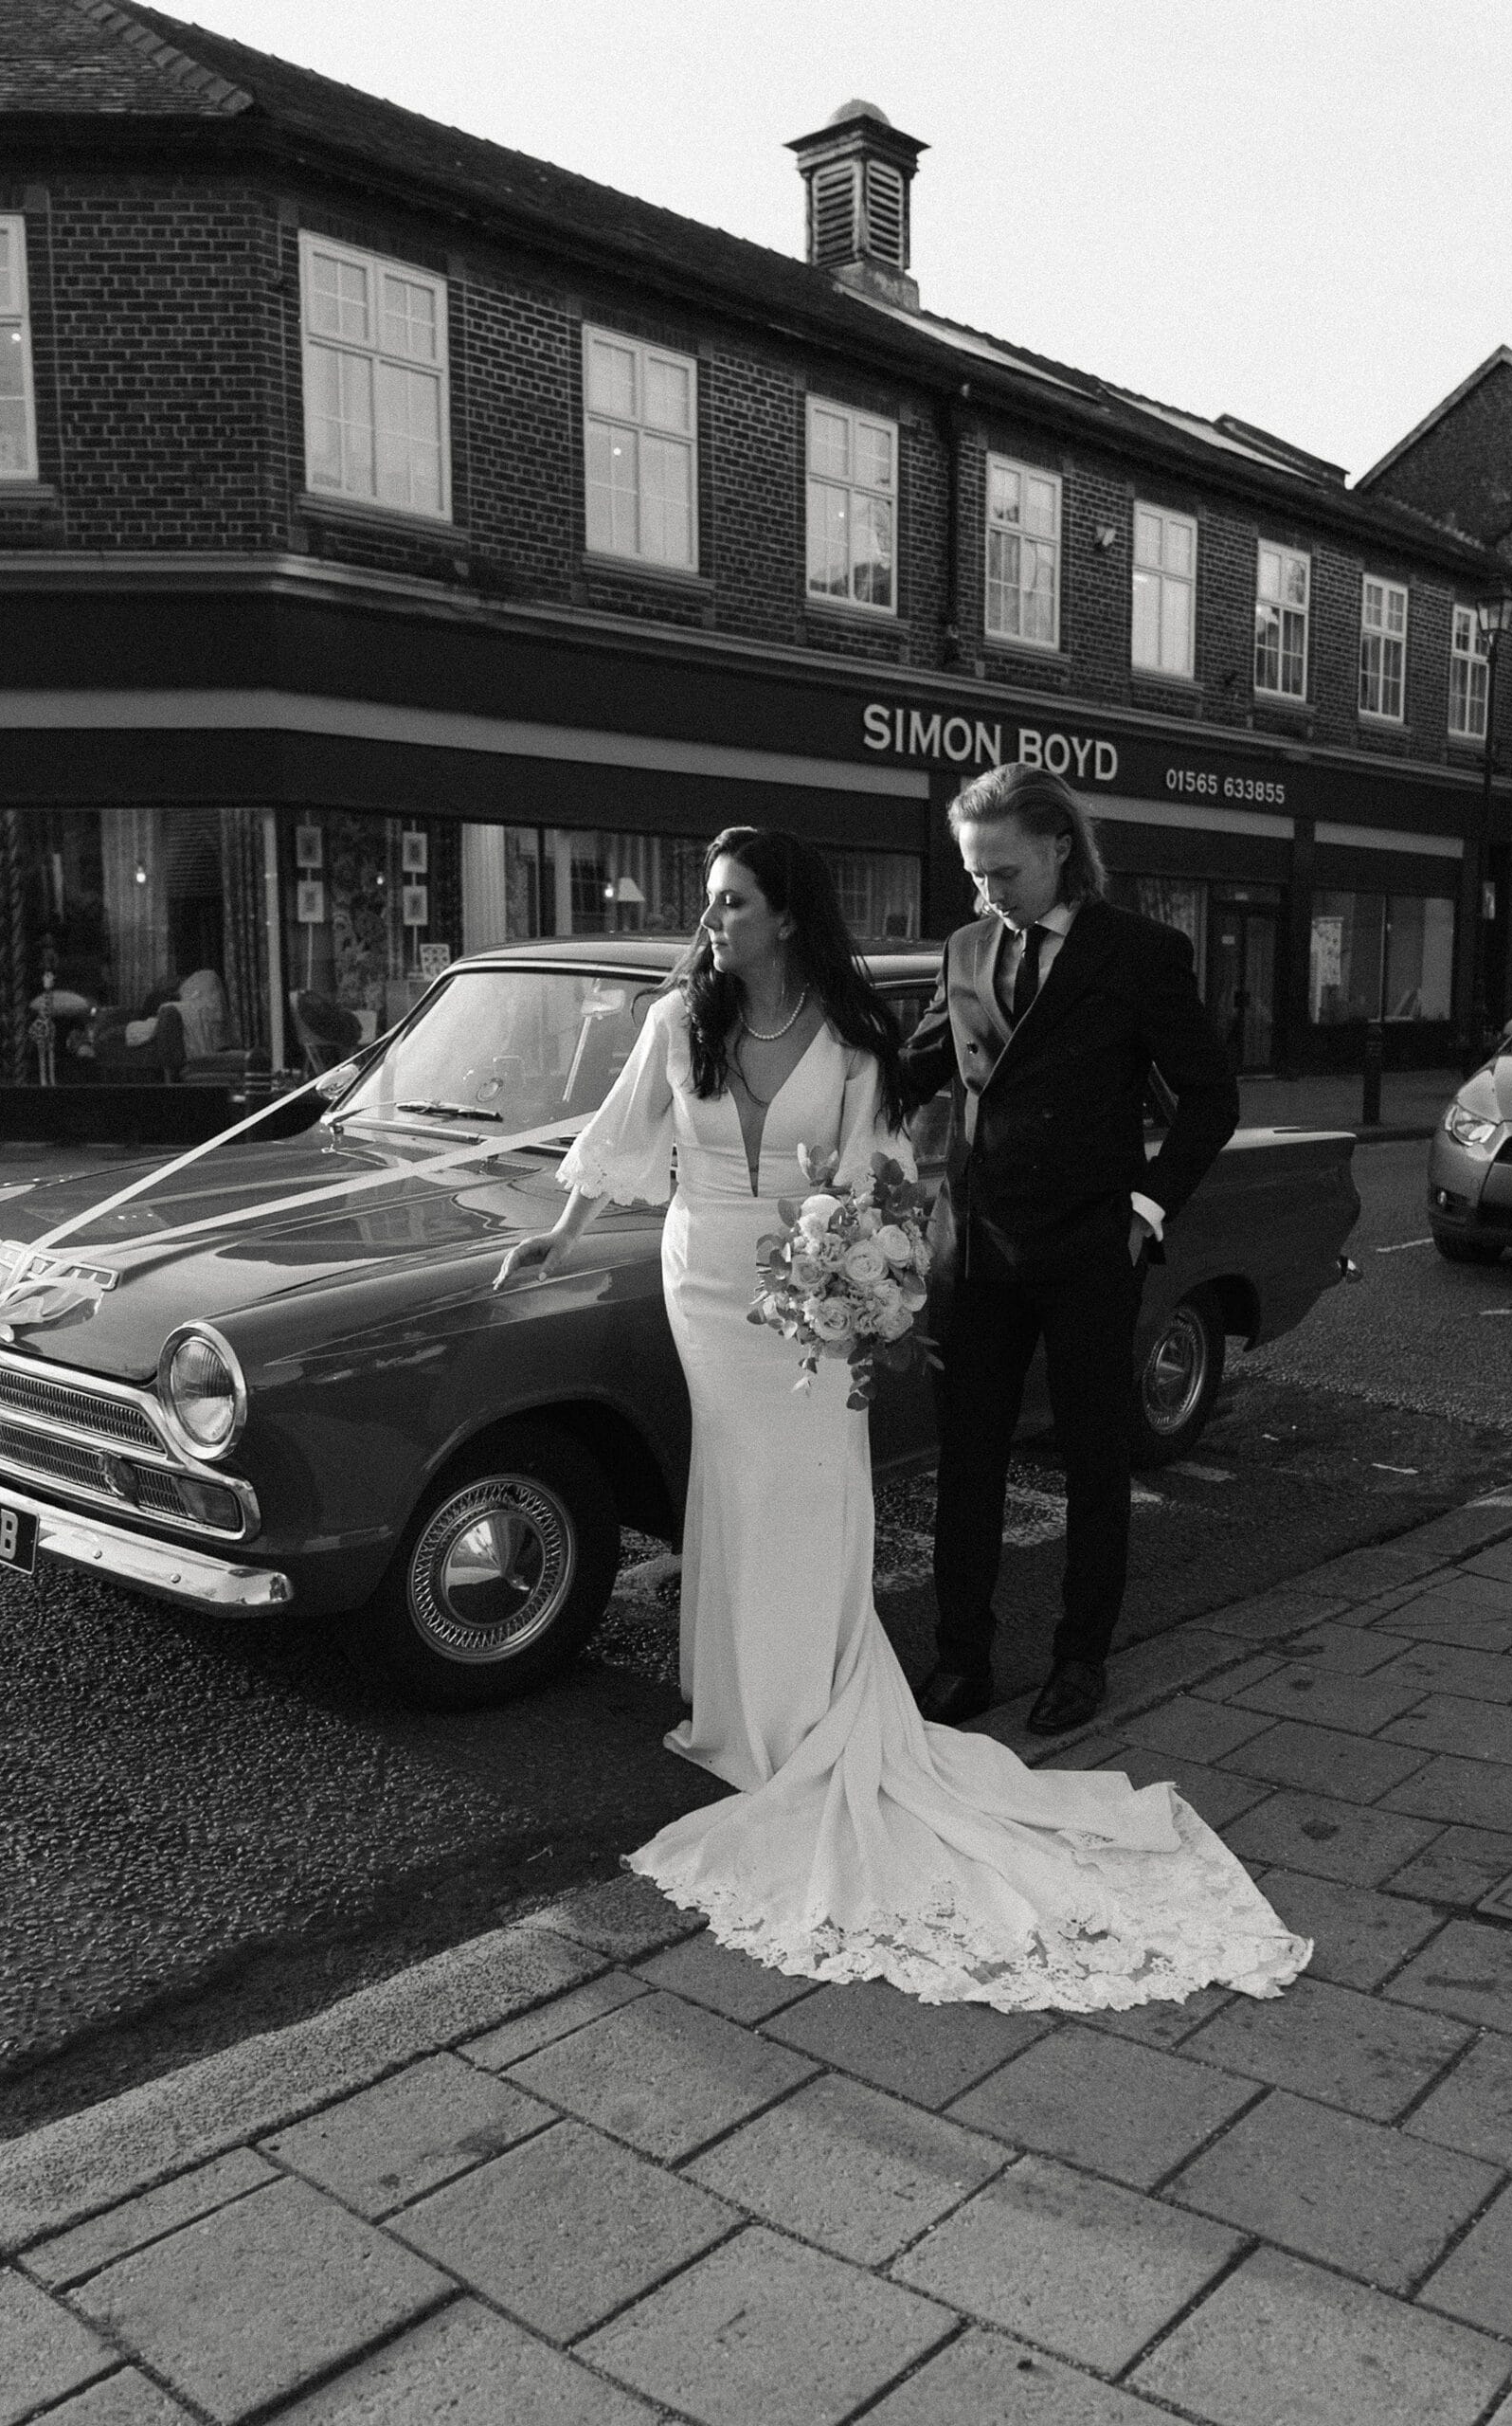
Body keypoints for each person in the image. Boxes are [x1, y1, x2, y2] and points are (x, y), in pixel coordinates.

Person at [495, 825, 1307, 2012]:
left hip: (816, 1286)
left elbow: (877, 1169)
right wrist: (557, 1235)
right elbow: (624, 1134)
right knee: (730, 1475)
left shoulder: (855, 1032)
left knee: (814, 1479)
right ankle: (734, 1707)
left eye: (730, 903)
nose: (709, 923)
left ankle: (826, 1702)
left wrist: (863, 1263)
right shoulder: (681, 1022)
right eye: (709, 904)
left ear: (785, 912)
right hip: (707, 1280)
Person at [903, 766, 1239, 1738]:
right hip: (975, 1249)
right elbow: (912, 1068)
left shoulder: (1139, 953)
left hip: (1089, 1245)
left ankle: (1079, 1659)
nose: (987, 894)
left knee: (1093, 1462)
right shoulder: (965, 948)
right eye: (974, 874)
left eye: (1003, 872)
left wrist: (1146, 1202)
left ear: (1058, 848)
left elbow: (1210, 1098)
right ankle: (961, 1658)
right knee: (967, 1465)